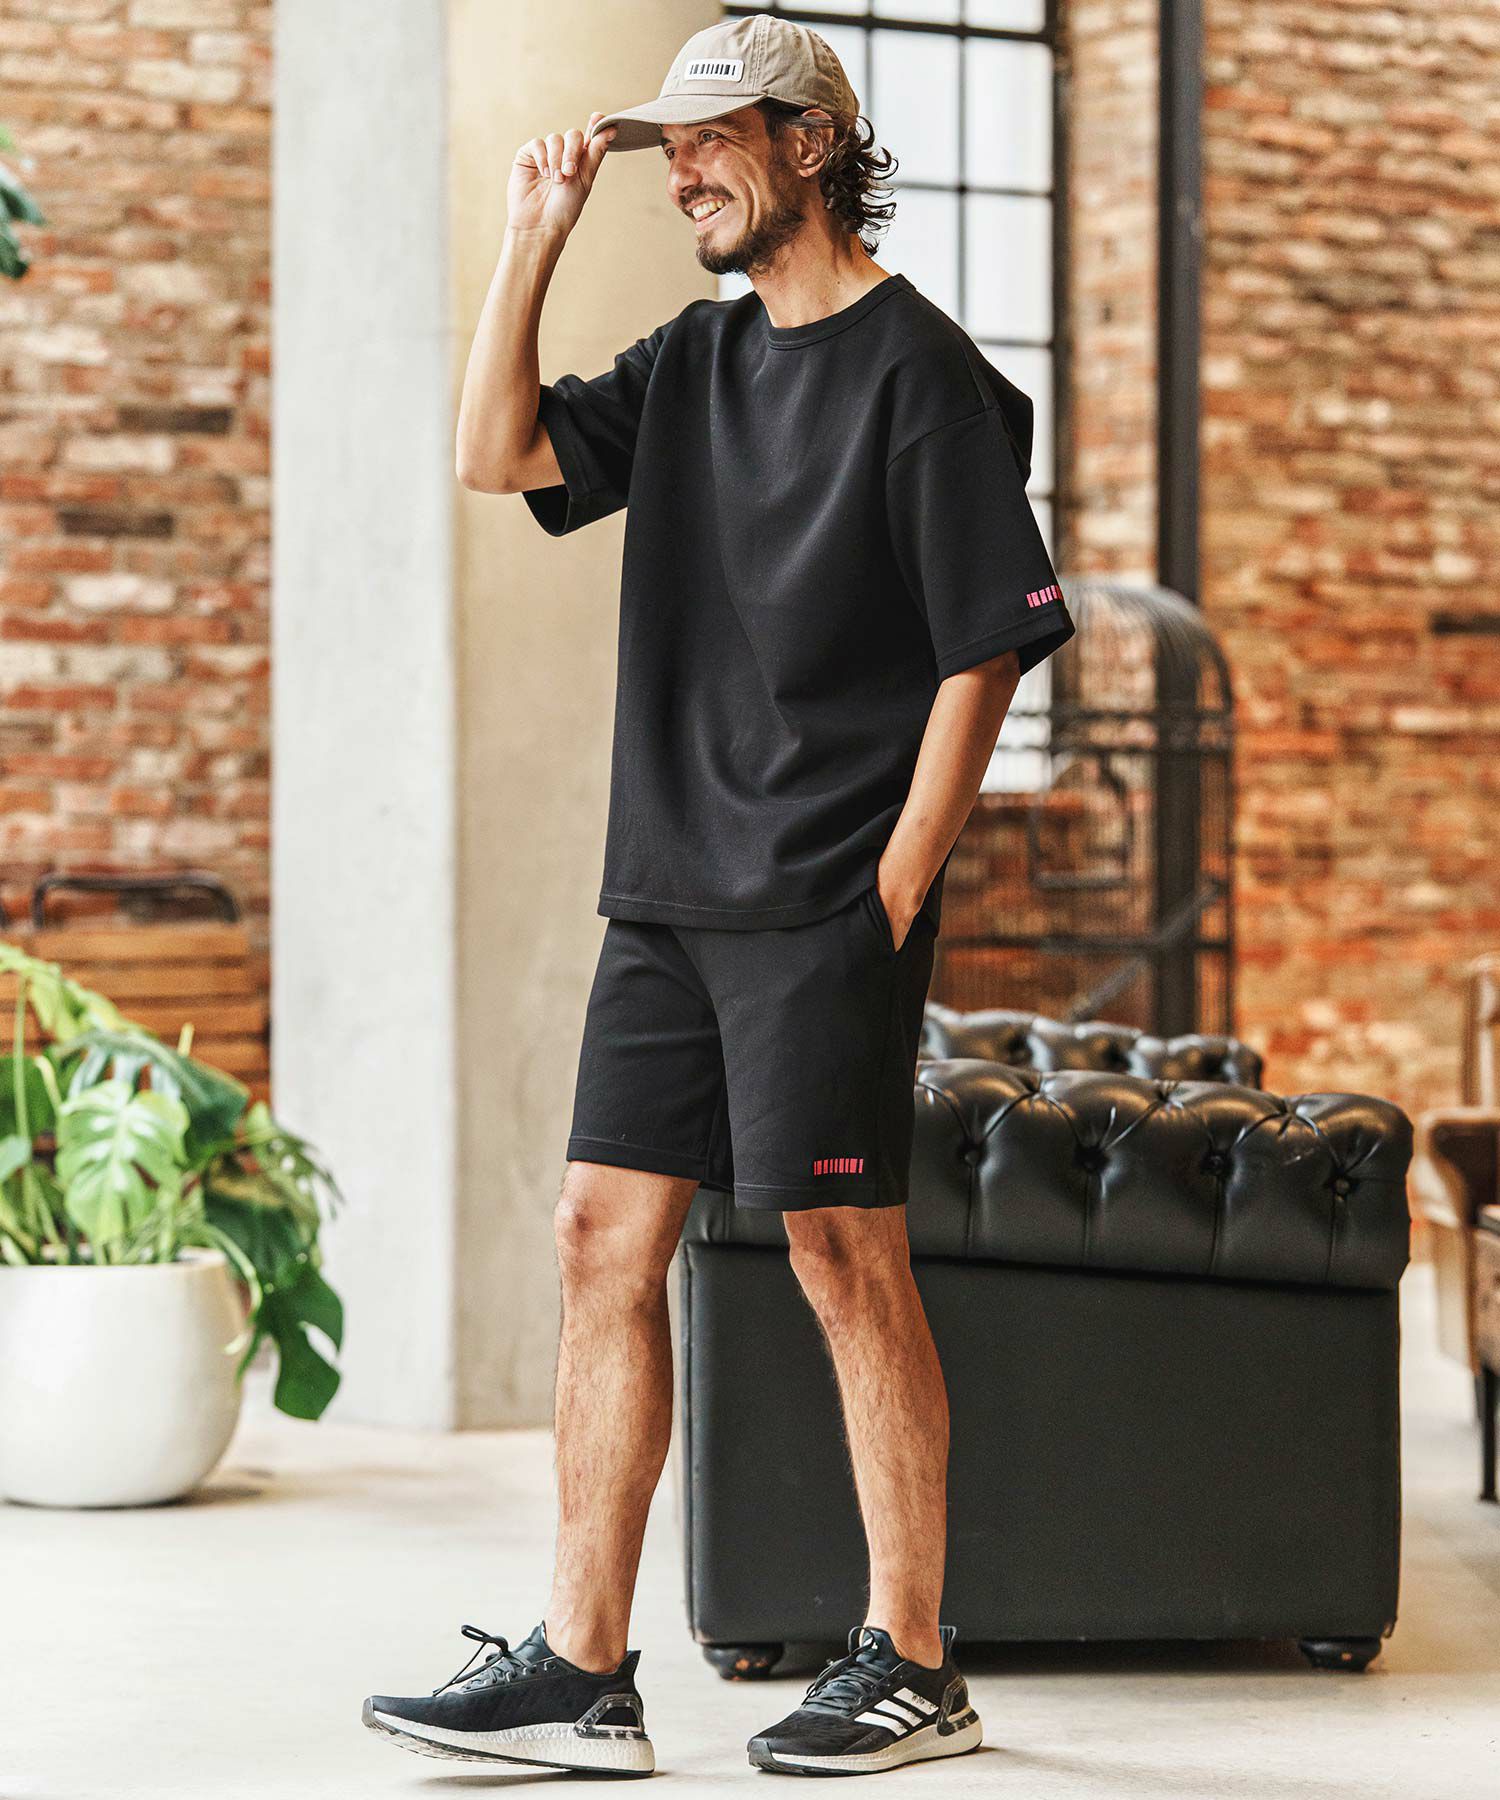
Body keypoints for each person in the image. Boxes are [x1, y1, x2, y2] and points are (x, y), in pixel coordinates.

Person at [362, 13, 1074, 1781]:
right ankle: (580, 1666)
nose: (677, 169)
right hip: (668, 892)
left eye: (710, 138)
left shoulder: (924, 375)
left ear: (809, 144)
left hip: (822, 899)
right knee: (598, 1238)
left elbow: (987, 650)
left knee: (842, 1254)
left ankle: (915, 1661)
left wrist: (891, 889)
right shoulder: (693, 360)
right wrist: (531, 238)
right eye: (665, 145)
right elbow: (497, 453)